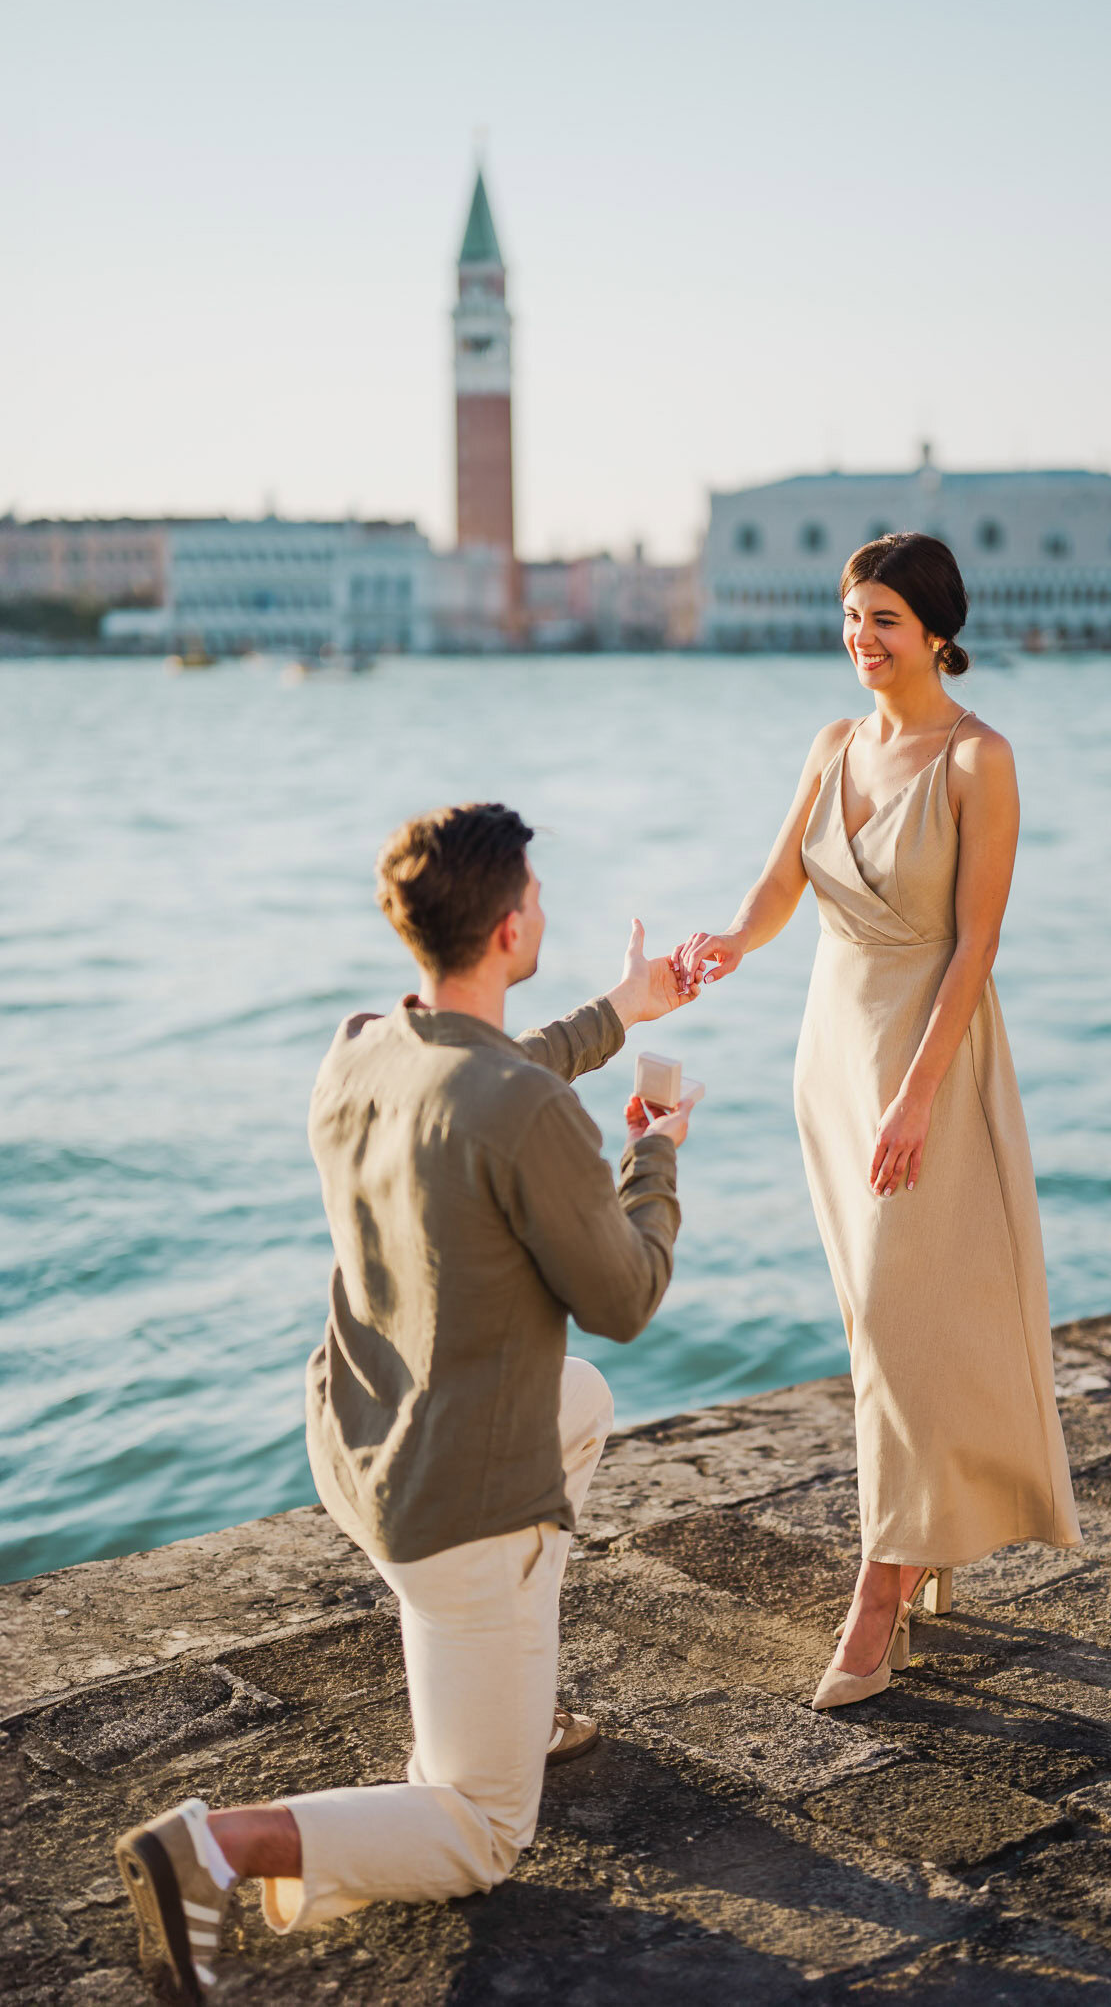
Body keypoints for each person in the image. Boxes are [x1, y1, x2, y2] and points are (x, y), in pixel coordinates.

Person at [115, 801, 699, 2002]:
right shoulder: (526, 1116)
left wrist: (619, 1011)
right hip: (457, 1506)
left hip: (357, 1439)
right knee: (482, 1830)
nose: (542, 905)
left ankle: (515, 1705)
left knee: (574, 1403)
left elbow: (480, 1078)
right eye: (533, 895)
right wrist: (655, 1150)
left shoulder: (361, 1045)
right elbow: (626, 1294)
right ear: (505, 927)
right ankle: (213, 1848)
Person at [675, 533, 1080, 1711]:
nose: (861, 638)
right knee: (877, 1321)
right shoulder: (831, 743)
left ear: (936, 631)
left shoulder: (975, 760)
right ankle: (924, 1538)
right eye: (852, 616)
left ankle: (882, 1580)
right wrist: (725, 947)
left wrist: (915, 1092)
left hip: (925, 1057)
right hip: (830, 1056)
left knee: (909, 1312)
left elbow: (976, 943)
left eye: (885, 620)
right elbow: (779, 886)